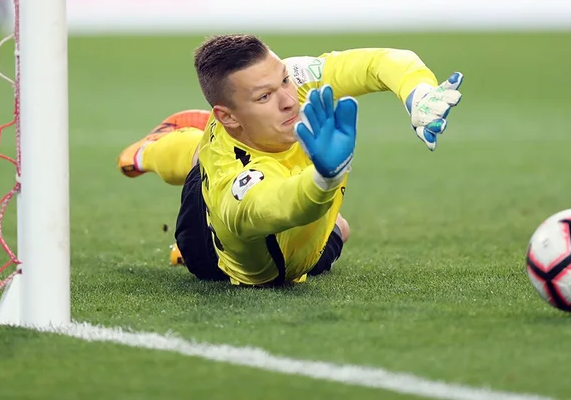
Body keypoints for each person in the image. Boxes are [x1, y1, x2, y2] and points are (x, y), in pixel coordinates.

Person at [117, 34, 463, 287]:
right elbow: (277, 206)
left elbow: (380, 62)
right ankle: (146, 152)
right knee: (200, 159)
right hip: (217, 254)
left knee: (339, 226)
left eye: (283, 79)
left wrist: (418, 93)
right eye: (264, 96)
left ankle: (198, 134)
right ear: (229, 115)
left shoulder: (292, 80)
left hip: (300, 244)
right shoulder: (232, 180)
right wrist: (325, 179)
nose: (288, 99)